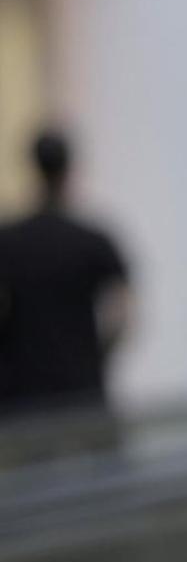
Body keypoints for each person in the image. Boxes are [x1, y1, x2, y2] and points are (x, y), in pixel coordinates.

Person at [0, 128, 131, 418]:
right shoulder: (92, 241)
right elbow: (122, 311)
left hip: (21, 394)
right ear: (69, 170)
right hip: (81, 389)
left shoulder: (8, 241)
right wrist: (98, 355)